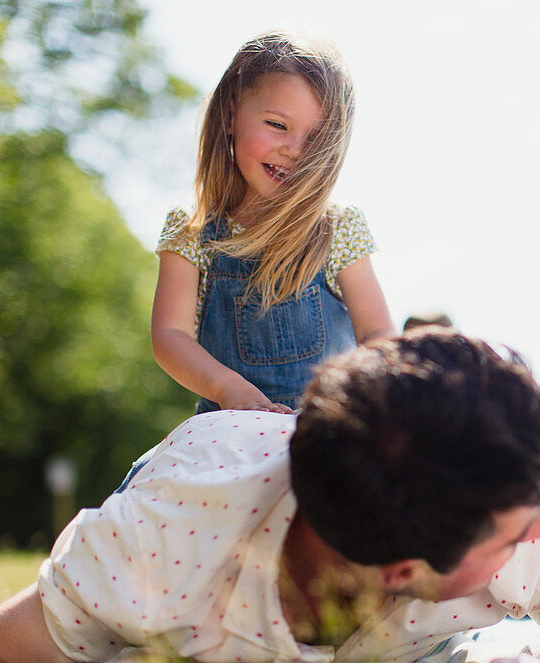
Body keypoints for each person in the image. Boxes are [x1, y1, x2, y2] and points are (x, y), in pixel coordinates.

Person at [0, 329, 540, 663]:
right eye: (517, 529)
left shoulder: (515, 509)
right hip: (201, 474)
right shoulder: (154, 548)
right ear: (403, 571)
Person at [151, 32, 395, 415]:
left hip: (324, 428)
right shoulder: (192, 228)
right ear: (231, 115)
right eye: (277, 125)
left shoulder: (335, 226)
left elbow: (376, 332)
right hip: (227, 428)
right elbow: (170, 335)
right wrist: (228, 388)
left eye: (314, 139)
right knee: (149, 476)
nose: (294, 150)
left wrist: (362, 393)